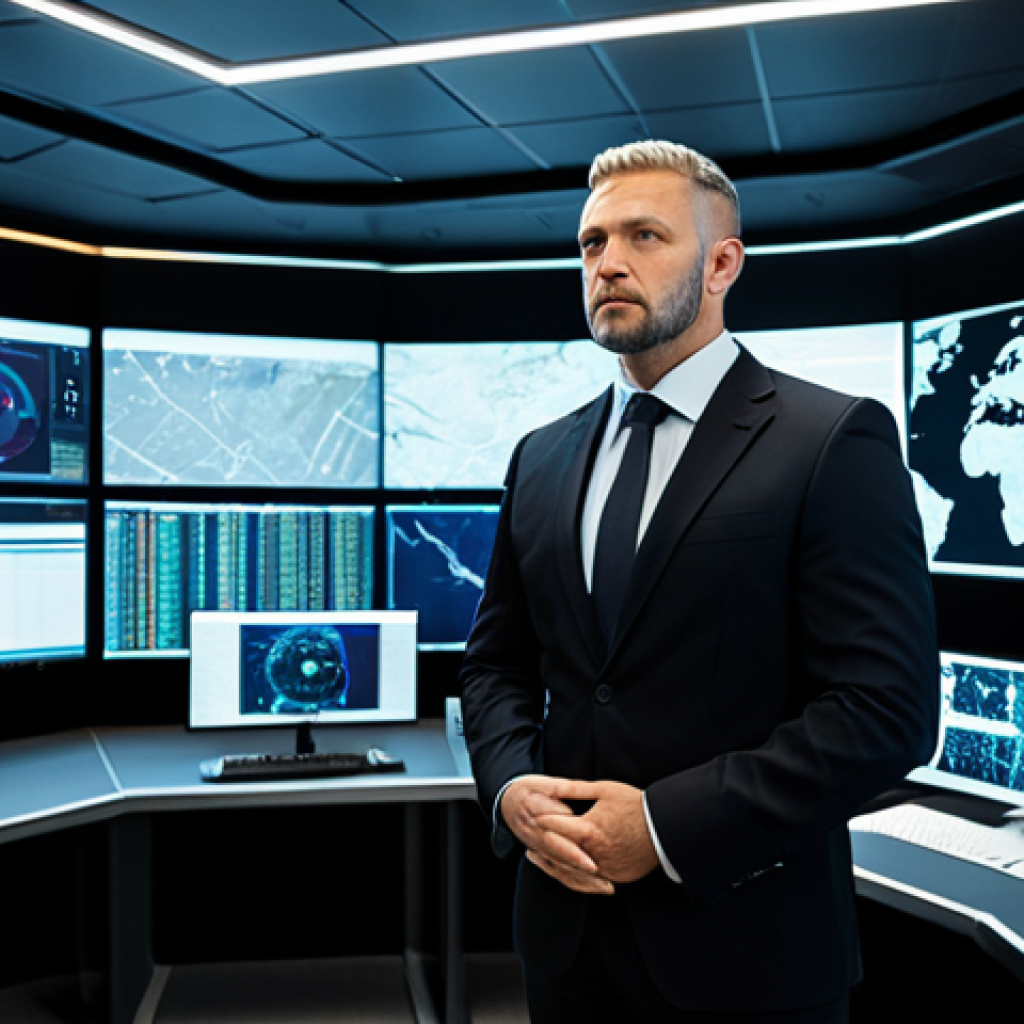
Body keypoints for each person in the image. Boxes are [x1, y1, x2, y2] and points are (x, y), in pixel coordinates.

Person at [459, 140, 938, 1024]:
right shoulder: (542, 458)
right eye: (592, 243)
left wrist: (666, 828)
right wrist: (511, 788)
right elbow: (496, 666)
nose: (609, 262)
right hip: (567, 948)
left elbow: (886, 710)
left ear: (723, 263)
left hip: (750, 958)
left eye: (645, 235)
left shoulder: (831, 441)